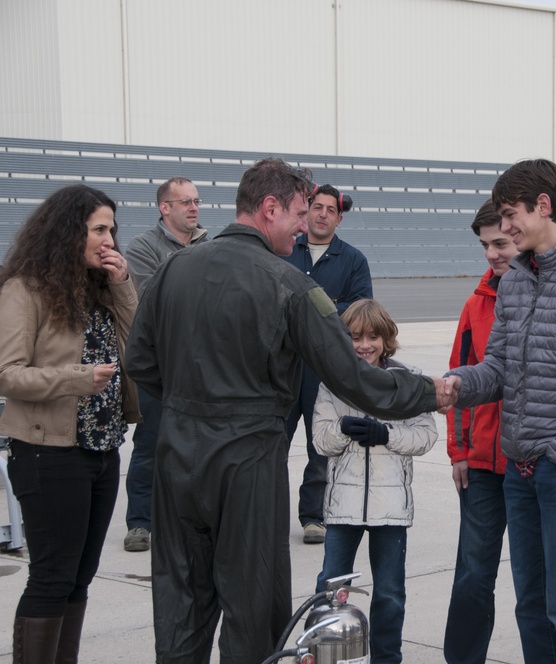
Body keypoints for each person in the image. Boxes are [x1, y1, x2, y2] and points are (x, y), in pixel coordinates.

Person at [124, 158, 451, 664]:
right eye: (300, 212)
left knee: (180, 605)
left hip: (179, 456)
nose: (304, 225)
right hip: (249, 460)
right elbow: (354, 378)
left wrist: (194, 404)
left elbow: (139, 361)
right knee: (253, 611)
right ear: (270, 207)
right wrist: (429, 393)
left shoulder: (173, 270)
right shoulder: (290, 285)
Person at [442, 159, 556, 663]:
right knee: (531, 605)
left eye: (511, 215)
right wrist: (452, 385)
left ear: (544, 206)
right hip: (517, 470)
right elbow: (496, 367)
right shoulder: (515, 280)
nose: (507, 227)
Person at [0, 184, 138, 663]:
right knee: (53, 575)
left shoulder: (100, 288)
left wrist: (122, 284)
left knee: (80, 577)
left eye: (112, 230)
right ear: (67, 232)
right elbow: (6, 373)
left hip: (101, 450)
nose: (108, 239)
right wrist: (77, 378)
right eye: (98, 229)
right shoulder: (25, 288)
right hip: (47, 451)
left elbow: (141, 346)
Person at [312, 299, 437, 664]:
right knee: (330, 587)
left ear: (386, 339)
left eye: (373, 337)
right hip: (342, 509)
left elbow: (425, 436)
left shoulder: (408, 380)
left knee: (389, 592)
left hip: (390, 510)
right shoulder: (332, 383)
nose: (364, 345)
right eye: (354, 338)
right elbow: (320, 440)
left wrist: (387, 436)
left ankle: (386, 658)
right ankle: (325, 653)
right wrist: (341, 430)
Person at [443, 200, 518, 664]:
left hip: (533, 464)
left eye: (500, 243)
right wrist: (459, 452)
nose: (491, 254)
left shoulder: (547, 294)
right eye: (484, 246)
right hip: (483, 465)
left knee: (544, 581)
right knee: (473, 576)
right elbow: (459, 378)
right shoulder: (476, 304)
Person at [121, 176, 210, 553]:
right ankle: (140, 522)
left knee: (201, 446)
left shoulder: (213, 244)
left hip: (204, 366)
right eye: (185, 201)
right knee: (151, 444)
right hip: (160, 367)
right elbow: (155, 301)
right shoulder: (142, 248)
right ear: (164, 208)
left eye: (196, 201)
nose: (194, 207)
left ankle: (192, 516)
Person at [284, 183, 373, 544]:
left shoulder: (353, 260)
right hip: (283, 364)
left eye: (329, 210)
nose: (321, 215)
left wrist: (304, 309)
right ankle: (268, 514)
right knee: (272, 444)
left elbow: (360, 312)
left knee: (320, 445)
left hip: (324, 368)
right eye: (315, 207)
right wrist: (329, 310)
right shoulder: (287, 251)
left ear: (339, 217)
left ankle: (313, 517)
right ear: (305, 212)